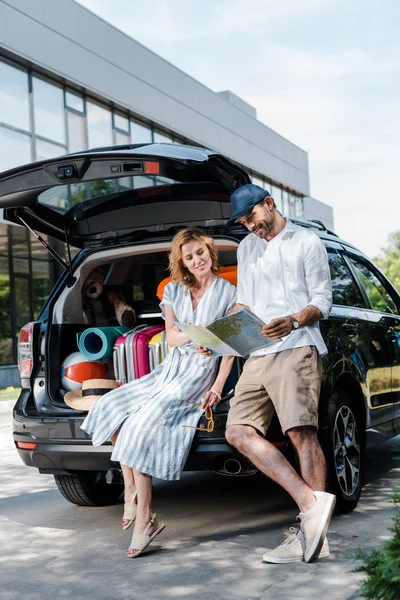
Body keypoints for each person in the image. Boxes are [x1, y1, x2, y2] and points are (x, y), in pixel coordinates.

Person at [81, 227, 236, 558]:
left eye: (200, 252)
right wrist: (195, 338)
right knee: (109, 406)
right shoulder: (175, 292)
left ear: (211, 252)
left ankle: (145, 518)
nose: (197, 260)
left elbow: (231, 347)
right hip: (169, 370)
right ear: (182, 260)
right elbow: (171, 336)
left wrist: (219, 386)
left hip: (197, 375)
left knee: (140, 424)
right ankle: (130, 488)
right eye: (189, 256)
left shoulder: (227, 293)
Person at [224, 183, 334, 564]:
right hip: (258, 350)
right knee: (236, 431)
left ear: (269, 204)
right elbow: (245, 299)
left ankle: (312, 538)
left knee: (300, 434)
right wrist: (224, 330)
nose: (249, 226)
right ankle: (310, 504)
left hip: (296, 344)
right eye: (243, 222)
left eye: (251, 217)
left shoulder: (307, 241)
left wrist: (293, 320)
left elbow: (322, 300)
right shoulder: (246, 247)